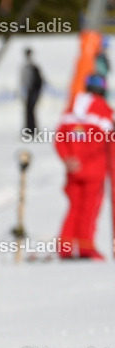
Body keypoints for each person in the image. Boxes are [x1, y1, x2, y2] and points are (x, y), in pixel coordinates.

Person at [54, 74, 112, 260]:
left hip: (73, 170)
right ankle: (86, 248)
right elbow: (104, 141)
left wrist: (68, 159)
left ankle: (66, 248)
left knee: (74, 207)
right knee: (89, 209)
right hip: (94, 169)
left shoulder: (72, 108)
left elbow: (59, 138)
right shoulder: (103, 110)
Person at [21, 48, 44, 136]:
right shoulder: (25, 67)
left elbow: (39, 82)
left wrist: (36, 93)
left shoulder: (33, 67)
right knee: (28, 111)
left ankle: (32, 130)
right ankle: (29, 129)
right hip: (28, 92)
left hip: (32, 92)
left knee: (31, 111)